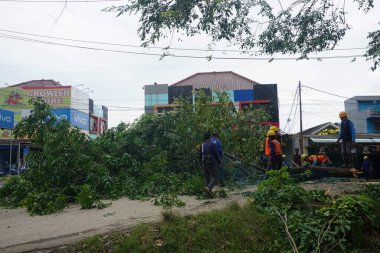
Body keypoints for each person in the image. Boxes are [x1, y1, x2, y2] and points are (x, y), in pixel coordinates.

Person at [199, 132, 220, 197]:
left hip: (204, 162)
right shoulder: (213, 144)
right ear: (210, 137)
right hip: (211, 162)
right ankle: (209, 187)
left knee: (206, 176)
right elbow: (216, 153)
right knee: (215, 177)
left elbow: (200, 155)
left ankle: (207, 192)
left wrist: (200, 163)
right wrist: (219, 160)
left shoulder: (202, 145)